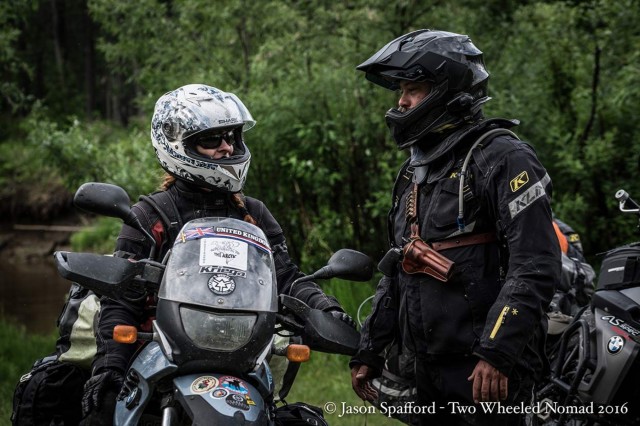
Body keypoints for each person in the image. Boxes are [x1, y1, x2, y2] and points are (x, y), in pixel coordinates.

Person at [79, 84, 354, 424]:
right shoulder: (151, 214)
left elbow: (285, 275)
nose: (227, 148)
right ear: (177, 145)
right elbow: (120, 296)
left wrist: (325, 306)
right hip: (162, 346)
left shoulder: (254, 212)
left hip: (243, 347)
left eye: (232, 137)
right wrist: (108, 369)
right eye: (212, 140)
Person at [349, 30, 561, 425]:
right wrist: (370, 349)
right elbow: (400, 264)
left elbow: (536, 264)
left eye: (413, 89)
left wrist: (496, 352)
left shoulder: (503, 156)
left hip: (489, 371)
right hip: (429, 368)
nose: (401, 101)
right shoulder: (417, 171)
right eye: (400, 89)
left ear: (448, 90)